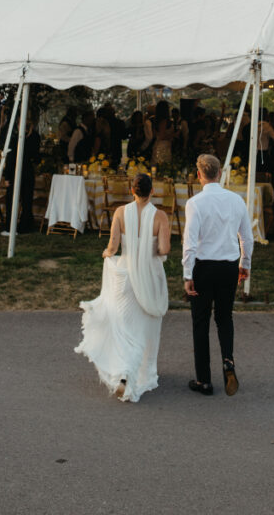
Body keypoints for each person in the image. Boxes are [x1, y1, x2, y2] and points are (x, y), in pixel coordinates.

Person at [75, 172, 169, 402]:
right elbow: (164, 249)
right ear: (152, 191)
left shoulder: (119, 213)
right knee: (146, 326)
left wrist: (107, 254)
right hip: (148, 275)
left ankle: (124, 372)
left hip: (125, 275)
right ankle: (141, 372)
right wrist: (152, 249)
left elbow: (113, 246)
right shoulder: (160, 217)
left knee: (126, 326)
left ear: (132, 190)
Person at [183, 153, 253, 397]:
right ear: (220, 173)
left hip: (204, 265)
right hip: (228, 265)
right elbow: (246, 236)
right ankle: (228, 362)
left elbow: (189, 242)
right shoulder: (236, 200)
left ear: (199, 174)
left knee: (200, 320)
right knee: (225, 317)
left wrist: (187, 273)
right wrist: (245, 263)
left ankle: (204, 379)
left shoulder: (195, 203)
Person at [1, 116, 41, 236]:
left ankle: (10, 227)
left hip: (15, 172)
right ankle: (25, 226)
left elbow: (11, 159)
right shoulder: (35, 138)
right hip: (28, 172)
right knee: (27, 201)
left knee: (11, 201)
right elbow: (37, 157)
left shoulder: (15, 139)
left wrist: (6, 176)